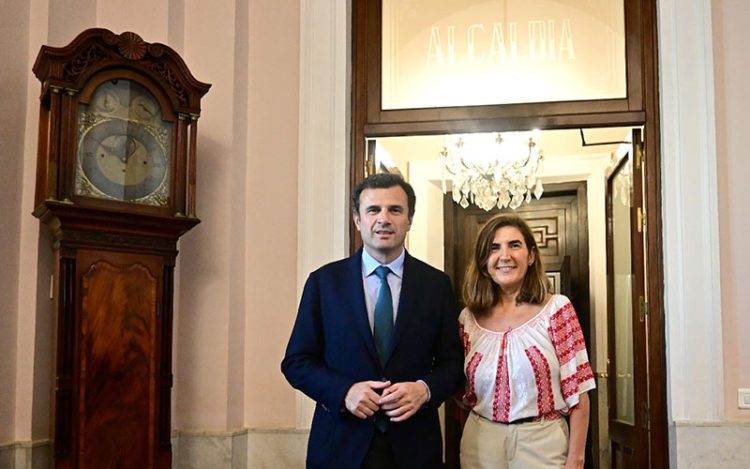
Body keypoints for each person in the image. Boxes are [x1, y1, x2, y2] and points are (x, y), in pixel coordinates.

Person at [281, 173, 464, 469]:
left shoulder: (436, 285)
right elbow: (296, 362)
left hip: (415, 448)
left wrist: (424, 389)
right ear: (357, 220)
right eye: (373, 210)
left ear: (409, 219)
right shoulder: (324, 283)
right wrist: (344, 392)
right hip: (340, 445)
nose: (384, 219)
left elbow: (453, 364)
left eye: (395, 210)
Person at [458, 214, 595, 469]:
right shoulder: (468, 319)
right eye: (494, 248)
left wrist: (576, 458)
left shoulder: (557, 309)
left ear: (531, 256)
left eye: (514, 245)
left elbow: (579, 392)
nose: (504, 256)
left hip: (543, 443)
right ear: (483, 260)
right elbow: (460, 388)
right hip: (480, 442)